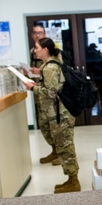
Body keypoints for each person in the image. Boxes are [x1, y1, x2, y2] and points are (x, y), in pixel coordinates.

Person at [24, 38, 80, 193]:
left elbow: (51, 92)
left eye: (37, 48)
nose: (35, 50)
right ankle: (71, 179)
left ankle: (74, 181)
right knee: (64, 146)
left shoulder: (49, 68)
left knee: (66, 148)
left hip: (60, 114)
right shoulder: (50, 65)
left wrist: (32, 88)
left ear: (45, 50)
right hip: (59, 113)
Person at [27, 21, 61, 166]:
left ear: (45, 34)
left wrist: (39, 71)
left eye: (40, 33)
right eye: (35, 33)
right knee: (44, 126)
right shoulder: (33, 51)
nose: (37, 35)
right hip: (40, 94)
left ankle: (62, 153)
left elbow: (57, 70)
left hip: (53, 97)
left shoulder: (55, 51)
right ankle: (54, 150)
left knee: (57, 127)